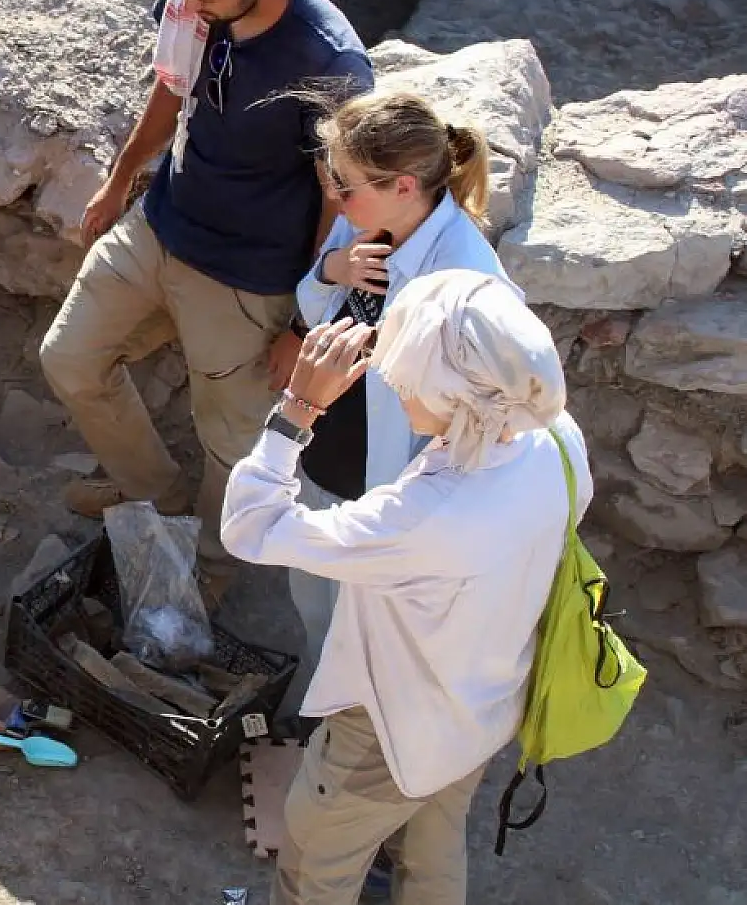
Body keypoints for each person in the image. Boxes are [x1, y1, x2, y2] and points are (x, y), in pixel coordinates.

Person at [39, 0, 373, 578]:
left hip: (247, 275)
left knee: (232, 440)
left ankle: (214, 564)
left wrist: (304, 323)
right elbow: (172, 84)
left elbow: (340, 203)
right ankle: (155, 497)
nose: (183, 0)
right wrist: (120, 179)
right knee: (70, 358)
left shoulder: (328, 64)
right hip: (162, 225)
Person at [222, 271, 591, 905]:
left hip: (389, 735)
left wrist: (298, 409)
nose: (393, 387)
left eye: (405, 378)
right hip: (482, 705)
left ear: (451, 392)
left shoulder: (421, 518)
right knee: (432, 852)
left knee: (313, 868)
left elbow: (250, 526)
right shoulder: (555, 437)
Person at [281, 90, 513, 722]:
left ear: (404, 185)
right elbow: (310, 309)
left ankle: (355, 735)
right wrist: (332, 269)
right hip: (325, 460)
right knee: (316, 606)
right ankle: (321, 715)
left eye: (346, 185)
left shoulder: (467, 281)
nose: (335, 196)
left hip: (390, 492)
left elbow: (494, 417)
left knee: (371, 630)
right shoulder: (365, 224)